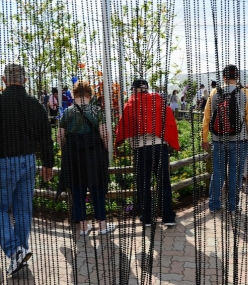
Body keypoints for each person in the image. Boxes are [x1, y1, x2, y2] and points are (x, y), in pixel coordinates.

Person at [0, 63, 54, 276]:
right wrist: (48, 164)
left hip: (4, 162)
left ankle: (15, 251)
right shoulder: (35, 105)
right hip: (28, 161)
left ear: (4, 80)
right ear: (25, 80)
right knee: (23, 210)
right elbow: (46, 138)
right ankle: (20, 253)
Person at [115, 79, 180, 227]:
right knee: (163, 181)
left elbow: (124, 125)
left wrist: (128, 143)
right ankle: (168, 217)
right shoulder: (158, 101)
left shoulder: (131, 104)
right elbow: (169, 118)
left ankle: (147, 218)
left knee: (143, 183)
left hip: (140, 148)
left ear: (135, 89)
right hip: (159, 146)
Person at [57, 80, 115, 235]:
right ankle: (102, 226)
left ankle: (83, 227)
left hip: (73, 156)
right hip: (94, 154)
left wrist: (67, 150)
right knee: (97, 187)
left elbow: (60, 137)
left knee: (77, 190)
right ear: (90, 93)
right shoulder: (96, 111)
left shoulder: (67, 112)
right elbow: (104, 134)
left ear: (74, 93)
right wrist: (103, 149)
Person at [202, 64, 248, 214]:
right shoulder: (245, 93)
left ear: (224, 77)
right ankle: (232, 206)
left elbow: (206, 117)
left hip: (218, 140)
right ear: (237, 77)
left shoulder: (214, 92)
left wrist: (204, 138)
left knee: (217, 173)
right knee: (235, 174)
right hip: (240, 141)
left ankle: (214, 205)